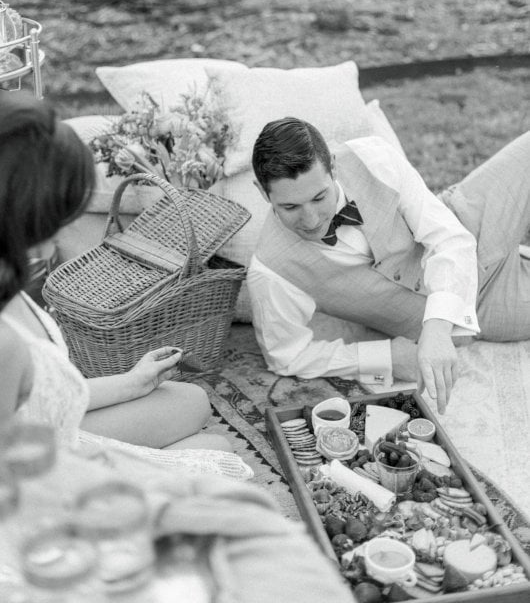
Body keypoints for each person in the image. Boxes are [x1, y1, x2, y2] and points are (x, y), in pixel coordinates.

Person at [0, 91, 252, 480]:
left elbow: (42, 398)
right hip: (44, 474)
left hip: (51, 431)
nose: (65, 229)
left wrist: (131, 383)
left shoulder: (11, 281)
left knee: (193, 401)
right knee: (220, 459)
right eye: (58, 214)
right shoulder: (4, 342)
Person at [248, 116, 530, 415]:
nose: (311, 219)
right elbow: (286, 356)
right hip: (486, 305)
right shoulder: (271, 272)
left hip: (470, 217)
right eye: (290, 207)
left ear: (333, 167)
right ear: (262, 192)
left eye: (319, 197)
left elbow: (450, 238)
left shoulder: (371, 157)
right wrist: (386, 356)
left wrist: (435, 331)